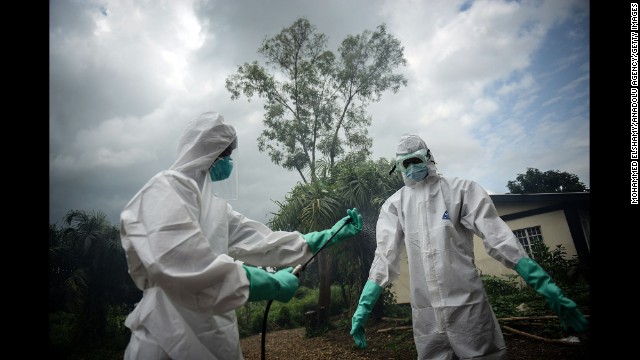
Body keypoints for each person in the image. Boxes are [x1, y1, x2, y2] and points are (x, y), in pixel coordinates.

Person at [119, 111, 363, 359]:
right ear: (204, 152)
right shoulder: (166, 189)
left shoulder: (216, 209)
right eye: (225, 154)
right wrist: (271, 283)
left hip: (213, 335)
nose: (229, 162)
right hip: (166, 336)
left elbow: (263, 243)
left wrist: (328, 235)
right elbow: (187, 265)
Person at [349, 134, 588, 360]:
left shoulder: (461, 190)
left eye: (417, 160)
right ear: (398, 166)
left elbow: (498, 237)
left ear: (428, 157)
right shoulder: (395, 205)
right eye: (406, 163)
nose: (413, 167)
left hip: (468, 308)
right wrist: (364, 306)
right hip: (426, 314)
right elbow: (385, 257)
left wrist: (544, 284)